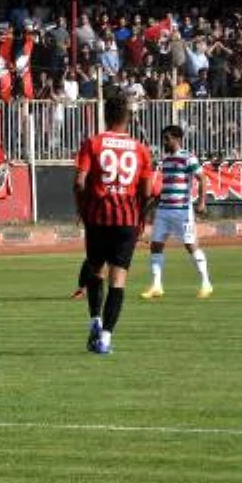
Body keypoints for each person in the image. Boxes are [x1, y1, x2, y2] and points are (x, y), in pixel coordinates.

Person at [74, 95, 154, 355]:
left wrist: (82, 209)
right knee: (118, 280)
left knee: (95, 271)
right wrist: (142, 216)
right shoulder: (141, 149)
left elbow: (79, 182)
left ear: (105, 115)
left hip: (97, 218)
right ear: (127, 117)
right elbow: (148, 191)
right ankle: (106, 338)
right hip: (127, 220)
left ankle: (95, 320)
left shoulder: (93, 143)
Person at [142, 125, 214, 300]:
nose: (164, 142)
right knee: (156, 245)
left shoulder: (188, 158)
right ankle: (157, 285)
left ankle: (206, 283)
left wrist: (202, 202)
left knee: (190, 245)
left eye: (166, 138)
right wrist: (149, 207)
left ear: (176, 138)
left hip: (182, 210)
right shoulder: (165, 161)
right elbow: (166, 188)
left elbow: (202, 178)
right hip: (164, 210)